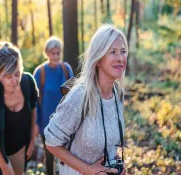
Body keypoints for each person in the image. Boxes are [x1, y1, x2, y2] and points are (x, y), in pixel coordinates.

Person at [44, 24, 128, 175]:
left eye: (123, 51)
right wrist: (88, 170)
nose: (120, 58)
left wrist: (117, 163)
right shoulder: (80, 96)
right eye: (113, 52)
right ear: (98, 58)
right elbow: (51, 142)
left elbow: (109, 142)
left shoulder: (118, 94)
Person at [0, 42, 39, 175]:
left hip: (19, 147)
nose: (15, 80)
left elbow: (34, 108)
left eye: (17, 74)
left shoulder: (28, 82)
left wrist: (32, 138)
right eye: (9, 76)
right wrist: (5, 167)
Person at [33, 36, 73, 175]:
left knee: (67, 155)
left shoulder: (66, 69)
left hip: (66, 120)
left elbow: (74, 95)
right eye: (52, 53)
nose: (55, 56)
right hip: (46, 121)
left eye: (58, 53)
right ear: (47, 53)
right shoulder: (40, 72)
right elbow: (34, 100)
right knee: (50, 154)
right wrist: (36, 123)